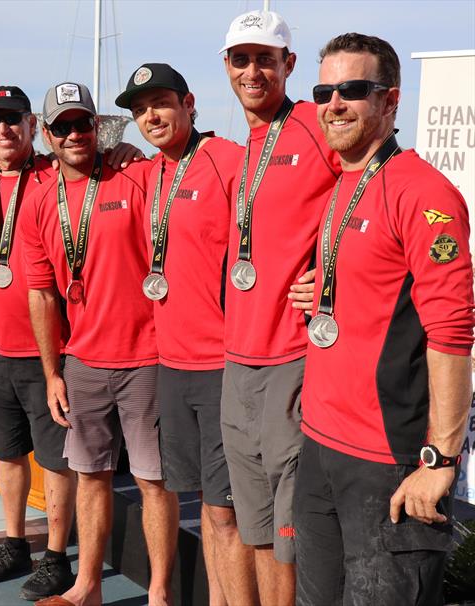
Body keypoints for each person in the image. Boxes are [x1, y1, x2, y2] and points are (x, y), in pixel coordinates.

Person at [295, 33, 474, 605]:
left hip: (386, 462)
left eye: (353, 90)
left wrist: (440, 460)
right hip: (320, 446)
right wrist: (324, 292)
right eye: (325, 90)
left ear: (390, 101)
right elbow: (378, 287)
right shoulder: (341, 181)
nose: (334, 103)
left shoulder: (424, 191)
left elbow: (452, 335)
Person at [20, 82, 179, 606]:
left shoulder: (134, 175)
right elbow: (42, 296)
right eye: (62, 126)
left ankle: (158, 594)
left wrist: (139, 151)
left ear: (98, 127)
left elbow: (183, 162)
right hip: (83, 362)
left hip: (149, 359)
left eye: (82, 123)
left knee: (156, 482)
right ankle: (86, 587)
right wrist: (52, 373)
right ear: (46, 135)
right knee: (89, 477)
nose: (73, 134)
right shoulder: (39, 202)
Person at [115, 63, 257, 605]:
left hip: (223, 366)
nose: (150, 116)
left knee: (226, 513)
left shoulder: (229, 163)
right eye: (139, 109)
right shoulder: (151, 173)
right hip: (170, 366)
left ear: (189, 103)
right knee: (200, 505)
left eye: (161, 103)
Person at [217, 10, 341, 605]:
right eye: (241, 59)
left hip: (292, 354)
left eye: (266, 58)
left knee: (291, 531)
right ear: (227, 67)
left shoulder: (318, 123)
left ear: (289, 64)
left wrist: (335, 275)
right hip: (237, 358)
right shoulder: (246, 146)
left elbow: (381, 183)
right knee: (258, 527)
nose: (253, 70)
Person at [0, 86, 77, 601]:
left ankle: (56, 558)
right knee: (7, 454)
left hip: (47, 352)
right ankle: (15, 545)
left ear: (32, 124)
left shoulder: (55, 179)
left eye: (12, 119)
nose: (3, 129)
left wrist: (127, 149)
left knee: (55, 459)